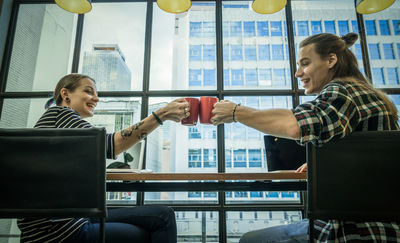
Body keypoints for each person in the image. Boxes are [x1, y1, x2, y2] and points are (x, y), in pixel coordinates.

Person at [211, 33, 399, 242]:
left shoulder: (342, 90)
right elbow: (367, 159)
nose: (298, 73)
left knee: (250, 240)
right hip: (372, 220)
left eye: (305, 64)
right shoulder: (363, 92)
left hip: (353, 228)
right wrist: (325, 165)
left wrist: (237, 112)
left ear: (331, 60)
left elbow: (297, 125)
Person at [17, 73, 190, 243]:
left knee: (160, 218)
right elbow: (111, 145)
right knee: (162, 220)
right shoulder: (61, 114)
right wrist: (162, 114)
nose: (96, 98)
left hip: (61, 224)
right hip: (60, 231)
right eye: (88, 91)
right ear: (65, 94)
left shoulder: (56, 122)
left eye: (96, 94)